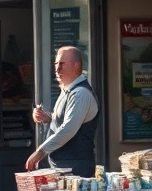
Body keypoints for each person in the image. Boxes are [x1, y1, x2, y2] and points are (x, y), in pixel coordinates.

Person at [25, 46, 101, 177]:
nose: (57, 68)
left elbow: (68, 129)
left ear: (76, 66)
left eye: (62, 64)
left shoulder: (80, 93)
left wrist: (40, 151)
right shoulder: (68, 91)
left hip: (76, 168)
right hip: (64, 166)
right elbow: (64, 122)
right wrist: (48, 118)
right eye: (56, 63)